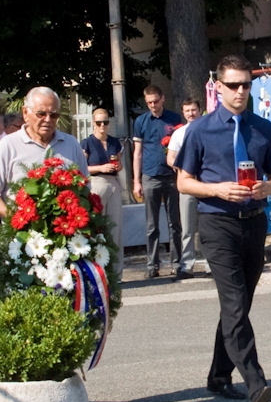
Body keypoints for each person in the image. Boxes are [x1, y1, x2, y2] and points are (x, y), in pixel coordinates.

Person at [174, 54, 271, 402]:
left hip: (253, 222)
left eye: (246, 85)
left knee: (239, 305)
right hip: (217, 223)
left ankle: (219, 375)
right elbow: (183, 182)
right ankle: (256, 383)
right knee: (236, 303)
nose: (241, 91)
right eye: (234, 85)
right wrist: (218, 190)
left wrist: (267, 188)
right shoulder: (200, 130)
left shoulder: (263, 128)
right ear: (219, 87)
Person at [0, 86, 89, 219]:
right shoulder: (8, 145)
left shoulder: (71, 144)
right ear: (26, 113)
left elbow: (85, 187)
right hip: (22, 229)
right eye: (41, 114)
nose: (48, 120)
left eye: (53, 115)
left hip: (64, 228)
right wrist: (15, 218)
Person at [132, 85, 183, 278]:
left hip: (171, 176)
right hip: (150, 176)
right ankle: (152, 265)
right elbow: (137, 153)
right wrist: (136, 181)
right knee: (151, 225)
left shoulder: (174, 119)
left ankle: (176, 263)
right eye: (149, 102)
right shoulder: (141, 121)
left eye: (155, 101)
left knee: (174, 223)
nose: (153, 105)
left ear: (162, 99)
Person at [81, 108, 124, 278]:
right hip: (96, 183)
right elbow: (82, 167)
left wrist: (117, 166)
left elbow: (120, 163)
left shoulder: (114, 142)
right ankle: (97, 271)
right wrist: (100, 167)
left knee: (115, 227)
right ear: (93, 123)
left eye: (105, 122)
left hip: (113, 183)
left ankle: (116, 272)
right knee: (97, 227)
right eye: (98, 123)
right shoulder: (87, 143)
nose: (102, 126)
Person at [166, 98, 203, 279]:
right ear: (183, 112)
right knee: (187, 227)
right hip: (187, 184)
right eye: (187, 110)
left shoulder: (207, 130)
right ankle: (187, 265)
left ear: (200, 110)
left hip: (206, 184)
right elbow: (170, 158)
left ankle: (211, 264)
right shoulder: (179, 134)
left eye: (193, 110)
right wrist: (184, 167)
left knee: (207, 226)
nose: (191, 113)